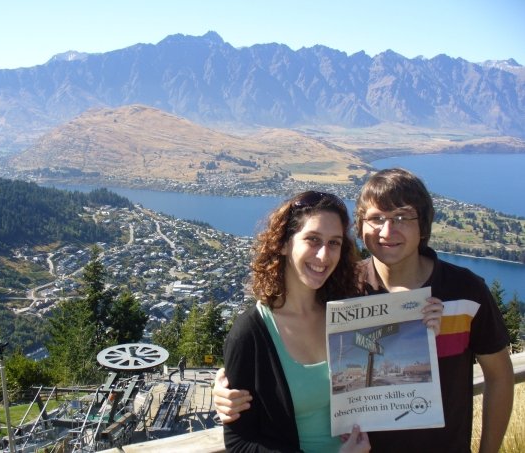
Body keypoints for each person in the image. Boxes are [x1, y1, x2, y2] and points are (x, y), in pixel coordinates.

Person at [214, 168, 514, 453]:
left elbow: (499, 377)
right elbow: (283, 350)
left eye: (402, 216)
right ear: (360, 228)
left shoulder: (465, 291)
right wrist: (227, 393)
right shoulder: (343, 292)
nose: (388, 230)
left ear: (423, 225)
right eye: (376, 218)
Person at [224, 191, 380, 452]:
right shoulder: (251, 334)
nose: (323, 256)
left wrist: (425, 320)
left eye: (334, 243)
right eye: (313, 240)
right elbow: (239, 444)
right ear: (284, 244)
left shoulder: (349, 315)